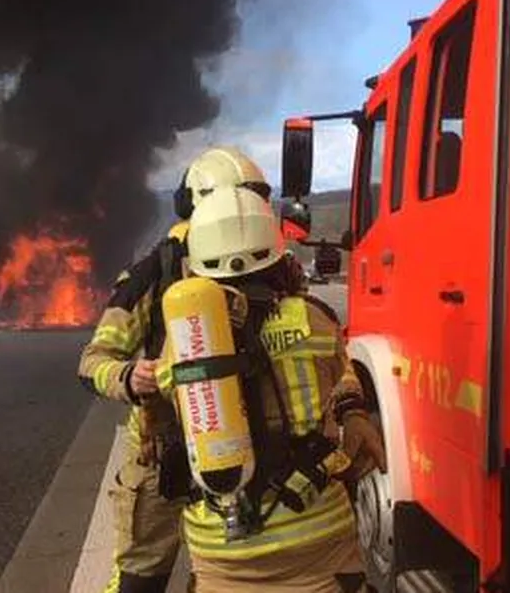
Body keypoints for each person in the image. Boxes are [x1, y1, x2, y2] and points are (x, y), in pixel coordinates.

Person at [152, 185, 386, 593]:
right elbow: (342, 372)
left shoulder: (184, 341)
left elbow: (166, 396)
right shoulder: (315, 319)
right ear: (278, 255)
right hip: (315, 533)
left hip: (220, 544)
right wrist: (353, 412)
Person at [77, 147, 280, 593]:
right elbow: (93, 362)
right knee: (140, 580)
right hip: (163, 455)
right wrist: (130, 378)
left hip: (249, 450)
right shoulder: (154, 274)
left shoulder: (270, 265)